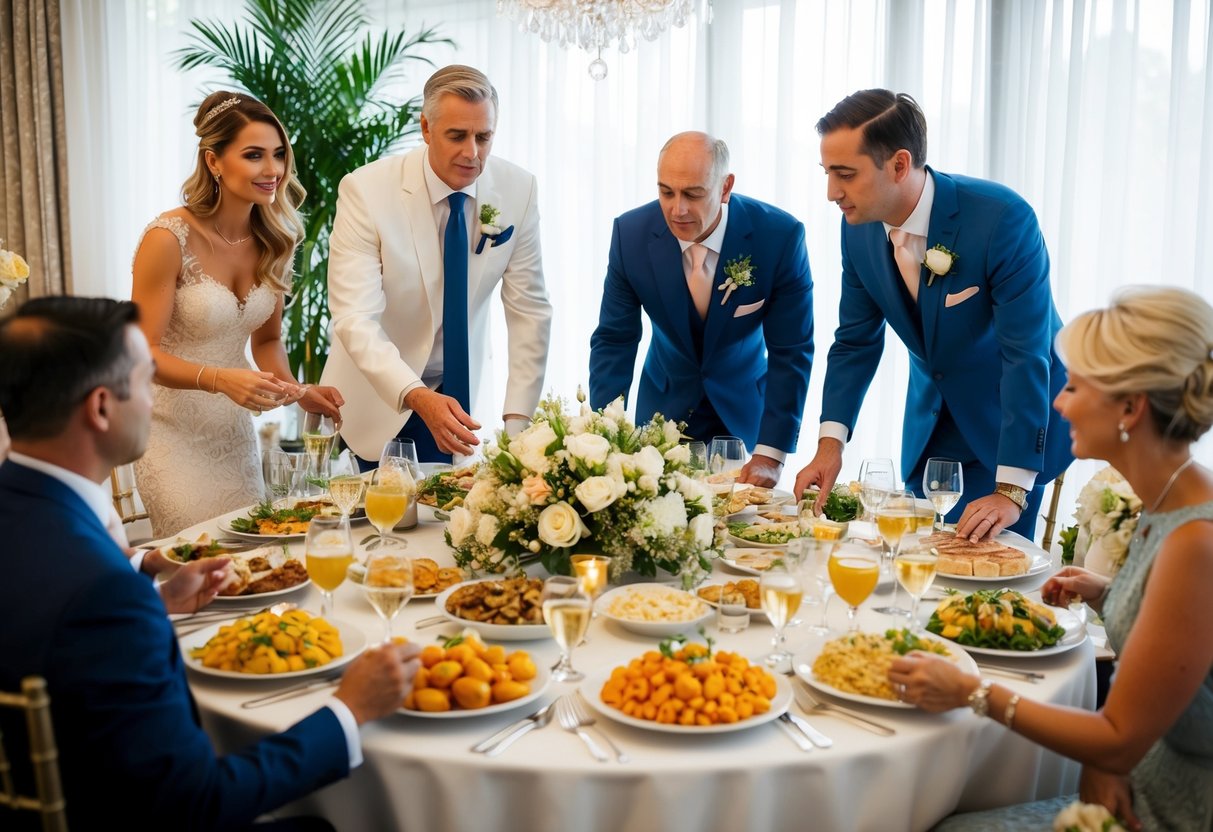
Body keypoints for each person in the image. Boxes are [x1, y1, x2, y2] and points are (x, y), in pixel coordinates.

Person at [0, 296, 420, 831]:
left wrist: (157, 602)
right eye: (144, 378)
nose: (154, 400)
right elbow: (196, 804)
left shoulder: (24, 510)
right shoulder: (103, 597)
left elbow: (58, 619)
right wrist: (349, 710)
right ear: (101, 407)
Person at [889, 286, 1213, 831]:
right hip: (1133, 772)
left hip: (1165, 809)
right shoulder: (1173, 495)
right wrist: (1107, 592)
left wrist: (972, 691)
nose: (1058, 402)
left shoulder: (1195, 541)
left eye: (1073, 385)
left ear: (1130, 409)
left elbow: (1118, 735)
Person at [794, 89, 1072, 540]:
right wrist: (830, 446)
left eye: (845, 174)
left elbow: (1027, 353)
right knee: (914, 556)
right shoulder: (858, 231)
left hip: (1011, 424)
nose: (831, 193)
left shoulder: (1002, 219)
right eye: (827, 173)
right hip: (932, 428)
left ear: (899, 164)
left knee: (984, 580)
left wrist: (1012, 488)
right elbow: (855, 342)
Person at [130, 91, 344, 538]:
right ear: (213, 161)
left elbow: (266, 342)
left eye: (279, 155)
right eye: (254, 156)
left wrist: (297, 389)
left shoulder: (276, 240)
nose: (273, 171)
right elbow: (140, 355)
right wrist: (221, 378)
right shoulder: (167, 239)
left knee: (251, 554)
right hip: (170, 434)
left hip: (233, 434)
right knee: (201, 556)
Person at [321, 64, 552, 465]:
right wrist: (415, 395)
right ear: (426, 129)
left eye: (484, 137)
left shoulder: (519, 189)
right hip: (372, 404)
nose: (472, 153)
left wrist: (518, 426)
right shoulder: (366, 190)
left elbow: (529, 311)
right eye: (457, 136)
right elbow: (354, 317)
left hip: (458, 399)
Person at [589, 131, 814, 487]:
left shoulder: (779, 237)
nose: (677, 209)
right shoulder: (630, 234)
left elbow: (791, 350)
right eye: (666, 192)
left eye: (693, 194)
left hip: (744, 418)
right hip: (662, 408)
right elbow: (615, 340)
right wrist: (603, 434)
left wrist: (772, 452)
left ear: (725, 188)